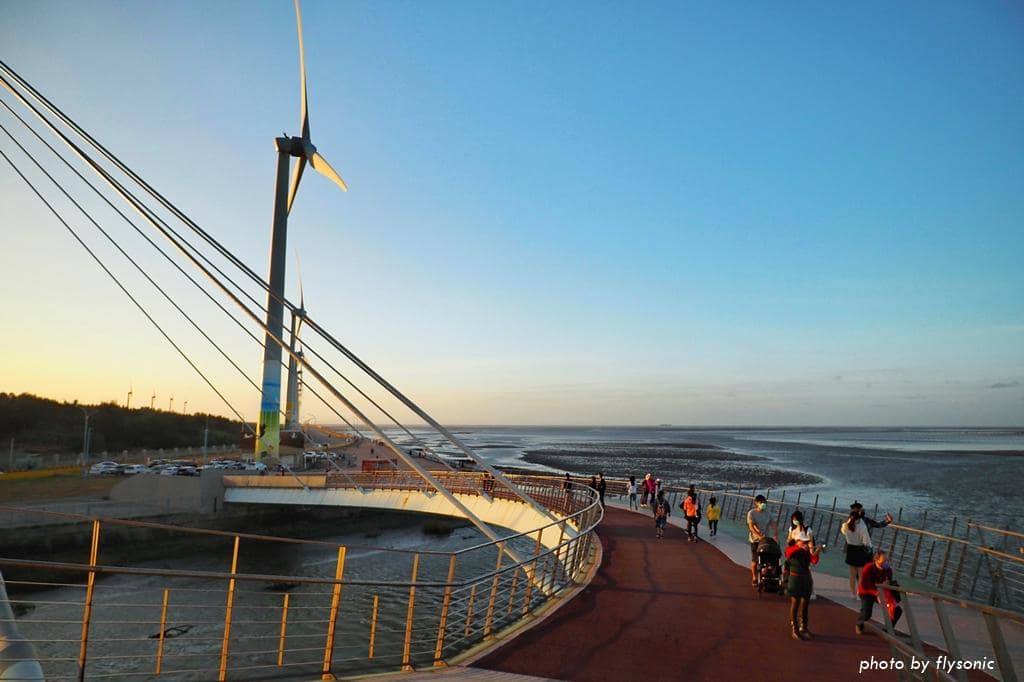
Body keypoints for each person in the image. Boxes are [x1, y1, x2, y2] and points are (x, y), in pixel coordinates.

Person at [841, 501, 893, 597]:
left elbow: (845, 532)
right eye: (859, 510)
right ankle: (860, 593)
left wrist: (887, 521)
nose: (861, 511)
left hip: (851, 549)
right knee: (862, 574)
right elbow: (868, 539)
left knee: (854, 574)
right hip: (862, 549)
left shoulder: (848, 522)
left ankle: (854, 593)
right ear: (858, 511)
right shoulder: (862, 523)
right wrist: (888, 521)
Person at [856, 550, 902, 634]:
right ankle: (859, 624)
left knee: (897, 610)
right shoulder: (868, 567)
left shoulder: (888, 570)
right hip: (867, 592)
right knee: (867, 613)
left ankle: (888, 628)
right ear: (876, 560)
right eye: (883, 561)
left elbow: (888, 582)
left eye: (887, 560)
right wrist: (878, 588)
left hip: (881, 592)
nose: (885, 563)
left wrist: (889, 584)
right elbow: (864, 585)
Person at [785, 537, 820, 640]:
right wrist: (801, 548)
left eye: (807, 542)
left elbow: (814, 560)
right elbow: (788, 553)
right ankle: (795, 629)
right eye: (803, 542)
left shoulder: (806, 551)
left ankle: (804, 627)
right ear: (796, 542)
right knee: (795, 603)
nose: (806, 544)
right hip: (795, 579)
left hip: (806, 579)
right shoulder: (792, 550)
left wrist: (816, 551)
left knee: (805, 604)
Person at [747, 494, 773, 586]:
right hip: (755, 540)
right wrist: (758, 536)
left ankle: (764, 575)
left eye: (764, 502)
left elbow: (773, 523)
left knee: (766, 560)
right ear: (756, 503)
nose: (763, 504)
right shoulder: (752, 513)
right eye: (761, 502)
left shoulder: (768, 513)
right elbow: (751, 526)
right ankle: (754, 577)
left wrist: (775, 534)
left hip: (765, 540)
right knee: (755, 559)